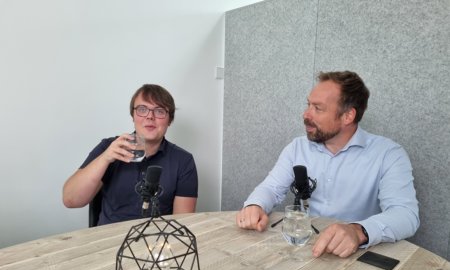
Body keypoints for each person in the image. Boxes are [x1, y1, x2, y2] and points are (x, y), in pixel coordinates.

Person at [236, 71, 419, 258]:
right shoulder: (297, 148)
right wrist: (255, 205)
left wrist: (358, 231)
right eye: (308, 105)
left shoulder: (388, 154)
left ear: (348, 116)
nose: (306, 114)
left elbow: (406, 215)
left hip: (356, 257)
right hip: (305, 249)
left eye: (318, 108)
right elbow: (271, 188)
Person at [63, 84, 198, 225]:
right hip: (110, 240)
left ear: (169, 120)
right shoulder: (109, 147)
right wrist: (105, 158)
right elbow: (71, 200)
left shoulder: (183, 161)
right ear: (133, 116)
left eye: (159, 111)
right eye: (142, 109)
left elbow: (182, 224)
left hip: (156, 241)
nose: (150, 116)